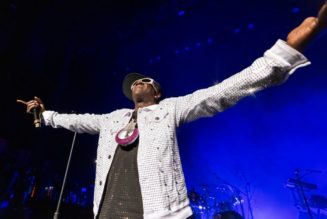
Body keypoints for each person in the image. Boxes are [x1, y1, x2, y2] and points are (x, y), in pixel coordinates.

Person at [17, 2, 327, 219]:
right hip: (107, 209)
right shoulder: (112, 119)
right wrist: (44, 115)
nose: (139, 82)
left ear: (157, 92)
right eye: (135, 81)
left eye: (146, 80)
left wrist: (285, 52)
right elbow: (75, 121)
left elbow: (225, 91)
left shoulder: (171, 109)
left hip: (159, 212)